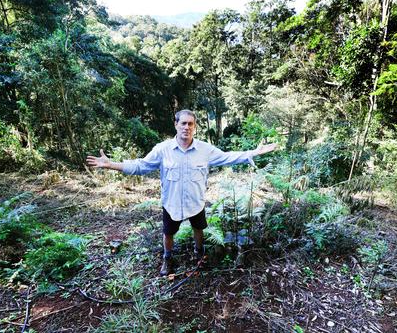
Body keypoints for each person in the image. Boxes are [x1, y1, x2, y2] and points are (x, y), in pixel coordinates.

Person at [86, 109, 277, 276]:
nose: (187, 127)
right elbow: (141, 166)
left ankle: (199, 252)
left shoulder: (205, 149)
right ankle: (167, 258)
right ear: (176, 125)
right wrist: (111, 165)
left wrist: (253, 153)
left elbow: (227, 157)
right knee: (168, 233)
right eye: (183, 123)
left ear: (194, 127)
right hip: (171, 203)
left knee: (199, 229)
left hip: (196, 202)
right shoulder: (162, 149)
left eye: (191, 124)